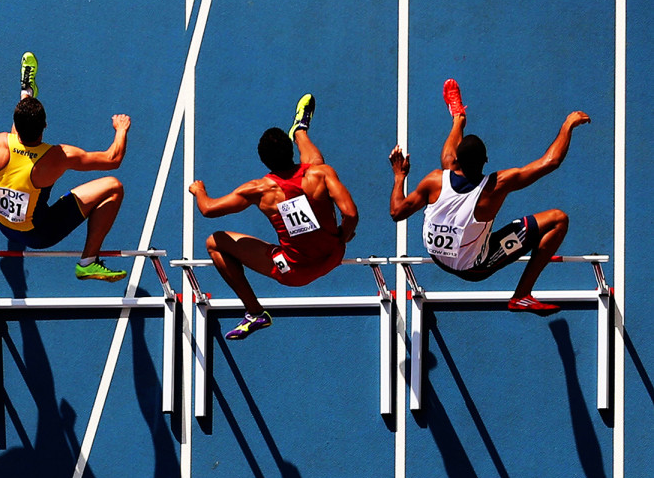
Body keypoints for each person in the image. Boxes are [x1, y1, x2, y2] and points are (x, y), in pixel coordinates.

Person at [389, 79, 586, 314]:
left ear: (457, 162)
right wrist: (568, 125)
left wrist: (400, 176)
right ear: (486, 162)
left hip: (437, 255)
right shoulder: (495, 186)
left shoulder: (434, 179)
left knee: (447, 170)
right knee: (558, 219)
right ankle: (522, 295)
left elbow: (397, 212)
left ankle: (458, 118)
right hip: (474, 267)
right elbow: (550, 162)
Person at [187, 94, 359, 339]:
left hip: (294, 272)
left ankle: (255, 312)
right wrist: (343, 237)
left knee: (214, 242)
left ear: (264, 161)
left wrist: (199, 190)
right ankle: (299, 130)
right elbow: (350, 214)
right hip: (333, 255)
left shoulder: (259, 190)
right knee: (315, 166)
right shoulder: (322, 174)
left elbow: (208, 209)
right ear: (290, 152)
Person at [0, 50, 131, 282]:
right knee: (114, 187)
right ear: (46, 126)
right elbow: (113, 159)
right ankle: (88, 262)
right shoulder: (57, 157)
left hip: (5, 226)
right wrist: (121, 129)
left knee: (14, 149)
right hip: (39, 233)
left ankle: (27, 93)